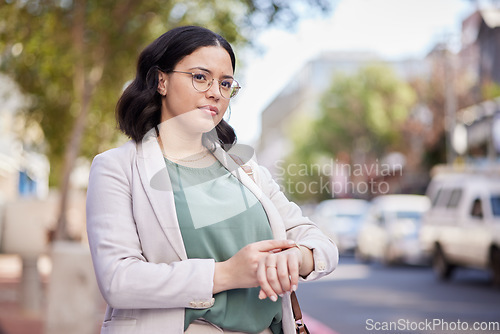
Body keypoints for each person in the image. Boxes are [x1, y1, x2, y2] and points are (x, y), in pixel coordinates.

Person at [86, 25, 338, 334]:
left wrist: (297, 259)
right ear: (161, 80)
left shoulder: (245, 167)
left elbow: (320, 244)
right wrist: (227, 274)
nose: (215, 92)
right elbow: (118, 280)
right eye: (200, 77)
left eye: (226, 83)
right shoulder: (117, 167)